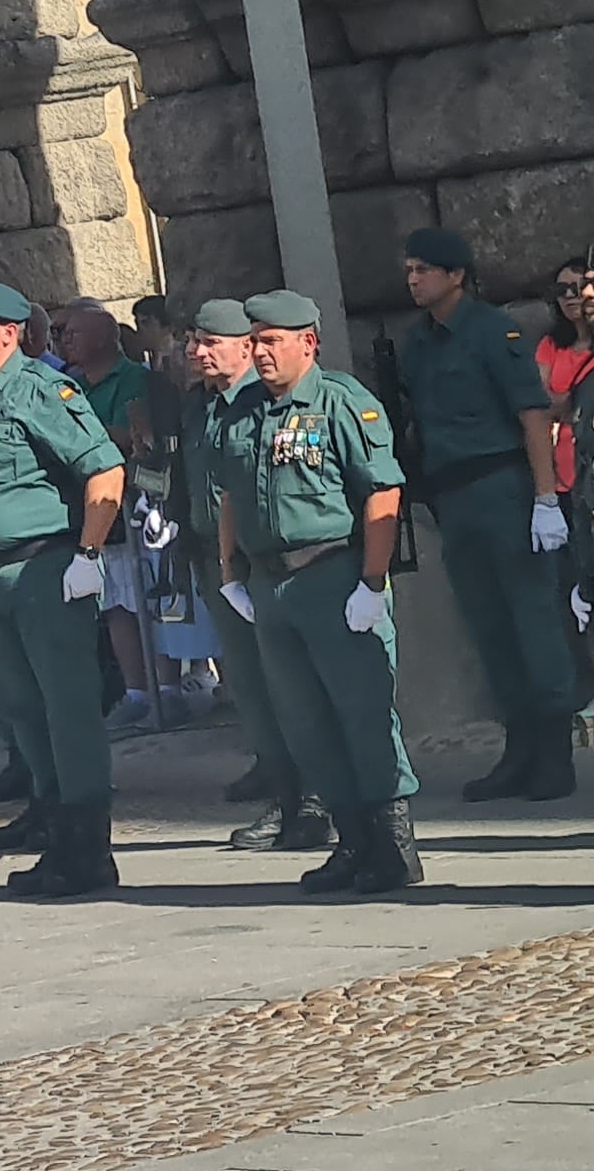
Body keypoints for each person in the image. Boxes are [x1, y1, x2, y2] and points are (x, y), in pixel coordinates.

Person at [209, 291, 423, 894]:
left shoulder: (340, 402)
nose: (260, 352)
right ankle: (352, 841)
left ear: (308, 342)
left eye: (272, 340)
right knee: (305, 722)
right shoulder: (243, 408)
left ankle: (393, 846)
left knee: (362, 714)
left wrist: (371, 583)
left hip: (333, 575)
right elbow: (229, 492)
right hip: (271, 584)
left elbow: (382, 493)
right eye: (254, 340)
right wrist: (232, 573)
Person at [0, 283, 129, 897]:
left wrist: (89, 553)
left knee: (67, 709)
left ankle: (88, 847)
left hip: (43, 571)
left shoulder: (41, 391)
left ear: (9, 333)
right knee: (20, 708)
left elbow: (104, 468)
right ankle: (54, 827)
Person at [391, 227, 573, 801]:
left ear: (456, 275)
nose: (413, 279)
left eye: (424, 269)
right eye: (410, 269)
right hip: (453, 495)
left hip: (504, 488)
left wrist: (545, 500)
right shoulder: (415, 343)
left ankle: (554, 753)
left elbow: (532, 417)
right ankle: (518, 749)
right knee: (488, 629)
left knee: (532, 624)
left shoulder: (494, 331)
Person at [175, 300, 325, 855]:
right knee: (254, 689)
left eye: (212, 341)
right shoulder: (199, 408)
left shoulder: (263, 405)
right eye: (195, 341)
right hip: (220, 565)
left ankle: (315, 799)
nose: (197, 351)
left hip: (271, 562)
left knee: (293, 688)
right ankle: (285, 795)